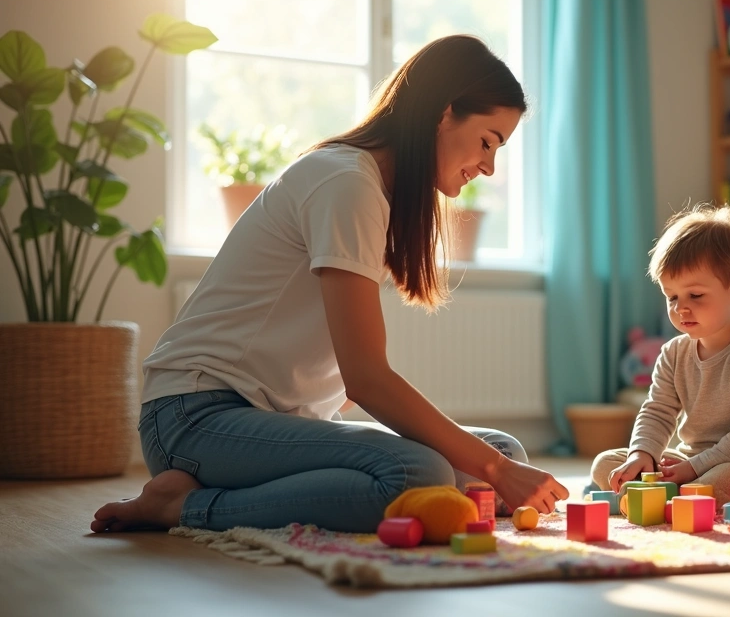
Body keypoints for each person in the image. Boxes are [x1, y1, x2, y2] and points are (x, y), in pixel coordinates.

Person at [92, 36, 568, 534]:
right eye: (487, 142)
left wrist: (496, 464)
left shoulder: (374, 189)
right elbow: (366, 378)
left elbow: (345, 380)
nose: (489, 167)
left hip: (283, 419)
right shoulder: (346, 181)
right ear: (443, 114)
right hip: (195, 417)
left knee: (502, 450)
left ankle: (234, 491)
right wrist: (495, 470)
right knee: (419, 473)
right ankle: (182, 506)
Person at [591, 205, 730, 510]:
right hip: (690, 459)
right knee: (605, 464)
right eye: (672, 297)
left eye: (695, 295)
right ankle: (673, 495)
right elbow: (657, 412)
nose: (680, 308)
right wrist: (641, 454)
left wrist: (695, 468)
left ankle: (668, 496)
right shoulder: (673, 353)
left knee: (724, 481)